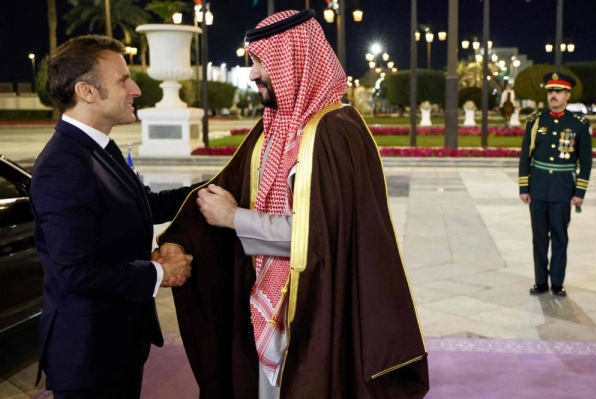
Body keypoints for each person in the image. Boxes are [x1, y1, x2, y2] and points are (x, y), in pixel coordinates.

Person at [156, 9, 429, 399]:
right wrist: (179, 241)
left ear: (292, 61)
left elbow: (319, 234)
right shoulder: (271, 129)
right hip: (265, 300)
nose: (252, 74)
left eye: (259, 62)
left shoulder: (335, 133)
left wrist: (235, 218)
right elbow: (223, 188)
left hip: (316, 303)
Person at [30, 35, 197, 399]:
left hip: (117, 346)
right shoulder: (63, 165)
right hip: (89, 358)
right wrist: (158, 272)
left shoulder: (98, 146)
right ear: (86, 92)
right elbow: (74, 271)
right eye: (123, 80)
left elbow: (142, 205)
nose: (135, 89)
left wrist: (213, 188)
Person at [518, 72, 592, 297]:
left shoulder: (578, 124)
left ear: (567, 95)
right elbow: (525, 156)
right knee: (539, 237)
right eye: (551, 91)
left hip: (562, 189)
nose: (553, 95)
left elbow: (586, 161)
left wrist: (579, 191)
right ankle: (541, 281)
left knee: (559, 236)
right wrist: (524, 187)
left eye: (558, 91)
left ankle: (557, 282)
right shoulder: (535, 121)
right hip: (538, 187)